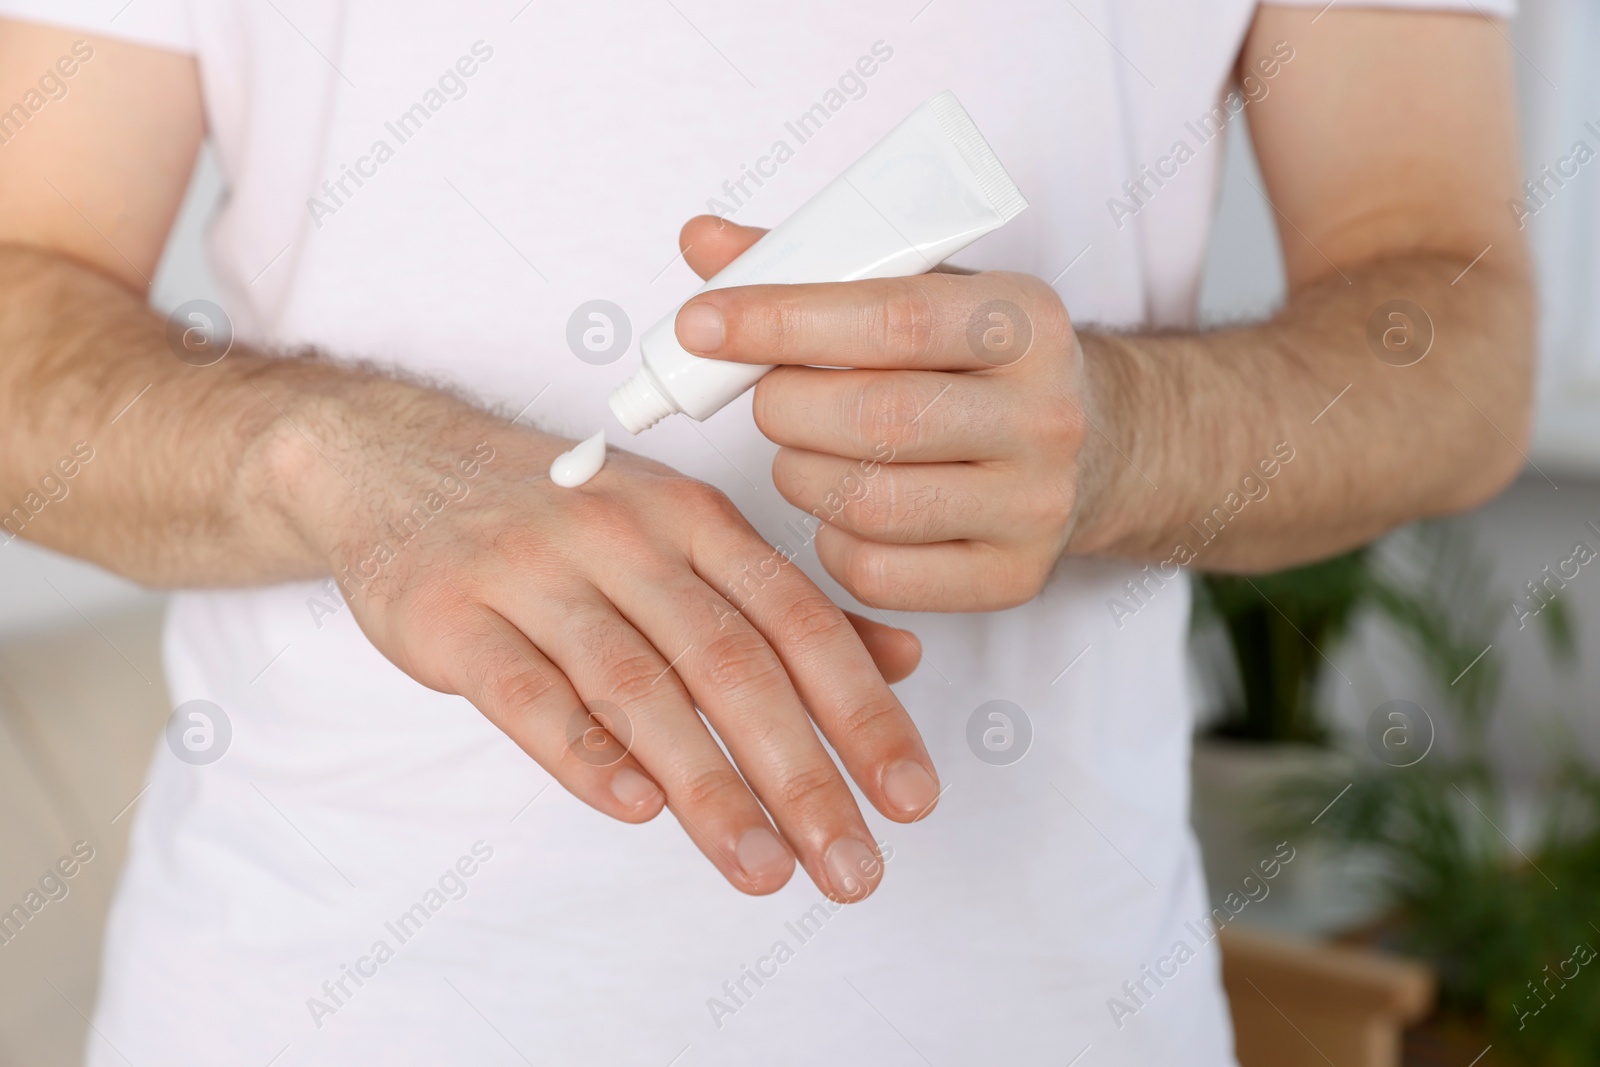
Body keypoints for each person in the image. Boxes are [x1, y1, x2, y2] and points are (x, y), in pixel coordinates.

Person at [0, 1, 1528, 1064]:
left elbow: (1461, 346)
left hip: (1036, 1018)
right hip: (313, 1014)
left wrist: (1132, 430)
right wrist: (336, 456)